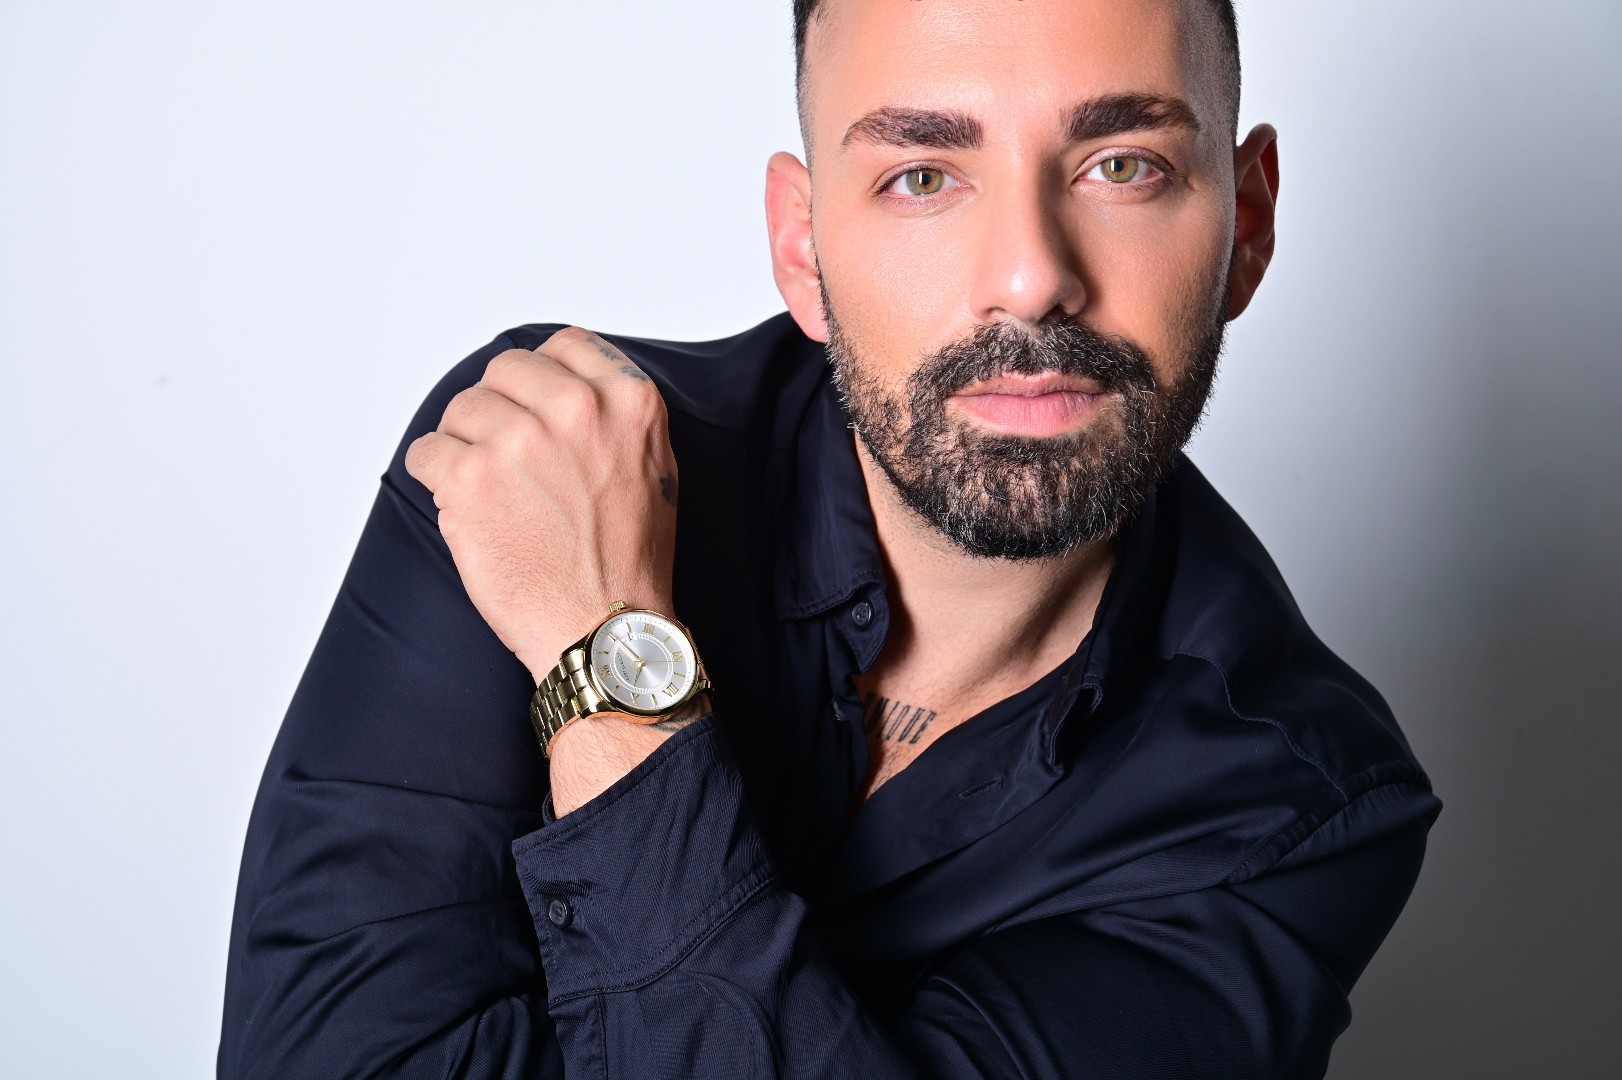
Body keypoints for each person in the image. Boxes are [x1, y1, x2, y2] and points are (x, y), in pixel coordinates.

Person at [219, 0, 1442, 1076]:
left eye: (1120, 166)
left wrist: (607, 666)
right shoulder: (544, 455)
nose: (1029, 278)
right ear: (802, 249)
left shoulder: (1290, 807)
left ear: (1246, 224)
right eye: (922, 175)